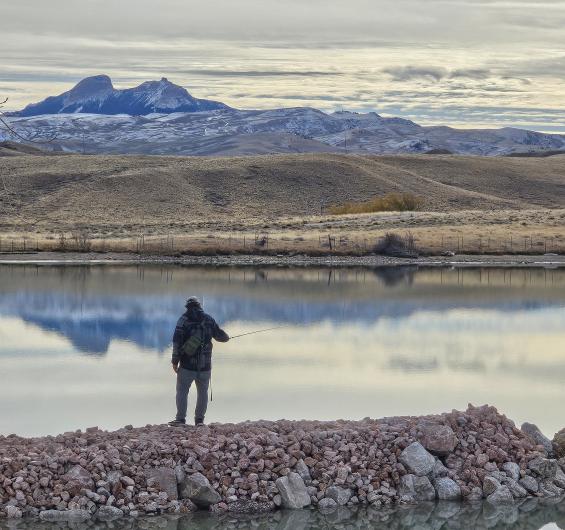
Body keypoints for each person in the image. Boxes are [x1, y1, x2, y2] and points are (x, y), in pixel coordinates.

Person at [169, 297, 229, 426]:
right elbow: (221, 337)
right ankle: (199, 420)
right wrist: (227, 337)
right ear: (199, 306)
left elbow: (176, 343)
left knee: (182, 391)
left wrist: (175, 361)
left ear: (187, 307)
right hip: (205, 365)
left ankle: (180, 419)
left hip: (186, 365)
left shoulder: (183, 320)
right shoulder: (208, 319)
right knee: (203, 393)